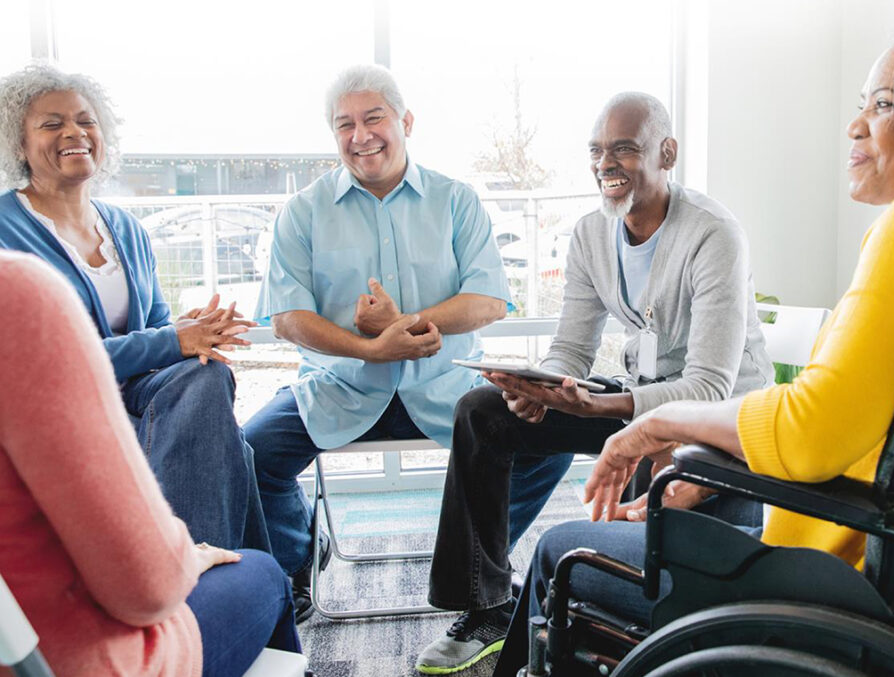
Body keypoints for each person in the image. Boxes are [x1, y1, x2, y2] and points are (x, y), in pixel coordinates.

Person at [492, 16, 894, 676]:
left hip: (848, 592)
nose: (855, 125)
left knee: (565, 550)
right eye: (860, 103)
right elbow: (869, 431)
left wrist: (657, 421)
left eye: (885, 105)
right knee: (654, 524)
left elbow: (813, 427)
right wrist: (712, 458)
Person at [417, 93, 774, 674]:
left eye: (624, 149)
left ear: (667, 153)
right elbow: (572, 349)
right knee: (482, 410)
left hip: (713, 419)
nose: (606, 163)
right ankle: (484, 606)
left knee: (642, 494)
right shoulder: (590, 235)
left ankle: (604, 631)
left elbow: (710, 387)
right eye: (597, 151)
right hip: (633, 399)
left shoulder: (714, 235)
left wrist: (601, 405)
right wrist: (539, 388)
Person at [243, 63, 512, 623]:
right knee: (248, 454)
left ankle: (479, 566)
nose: (360, 136)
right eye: (345, 124)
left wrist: (403, 324)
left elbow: (488, 301)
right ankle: (296, 564)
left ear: (405, 121)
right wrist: (369, 349)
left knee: (542, 439)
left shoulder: (455, 200)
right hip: (339, 388)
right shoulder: (303, 212)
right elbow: (287, 319)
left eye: (374, 118)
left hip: (446, 389)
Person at [0, 64, 269, 552]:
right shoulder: (5, 232)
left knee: (207, 376)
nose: (74, 133)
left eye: (86, 120)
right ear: (18, 145)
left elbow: (157, 327)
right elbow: (43, 363)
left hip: (142, 402)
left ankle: (201, 571)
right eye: (51, 123)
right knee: (231, 449)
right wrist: (173, 340)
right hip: (63, 414)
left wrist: (193, 333)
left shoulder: (125, 227)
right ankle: (223, 576)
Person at [0, 251, 302, 677]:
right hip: (80, 659)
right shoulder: (17, 291)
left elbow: (158, 327)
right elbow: (147, 593)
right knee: (261, 571)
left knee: (208, 386)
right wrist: (186, 560)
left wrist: (182, 332)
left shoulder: (122, 231)